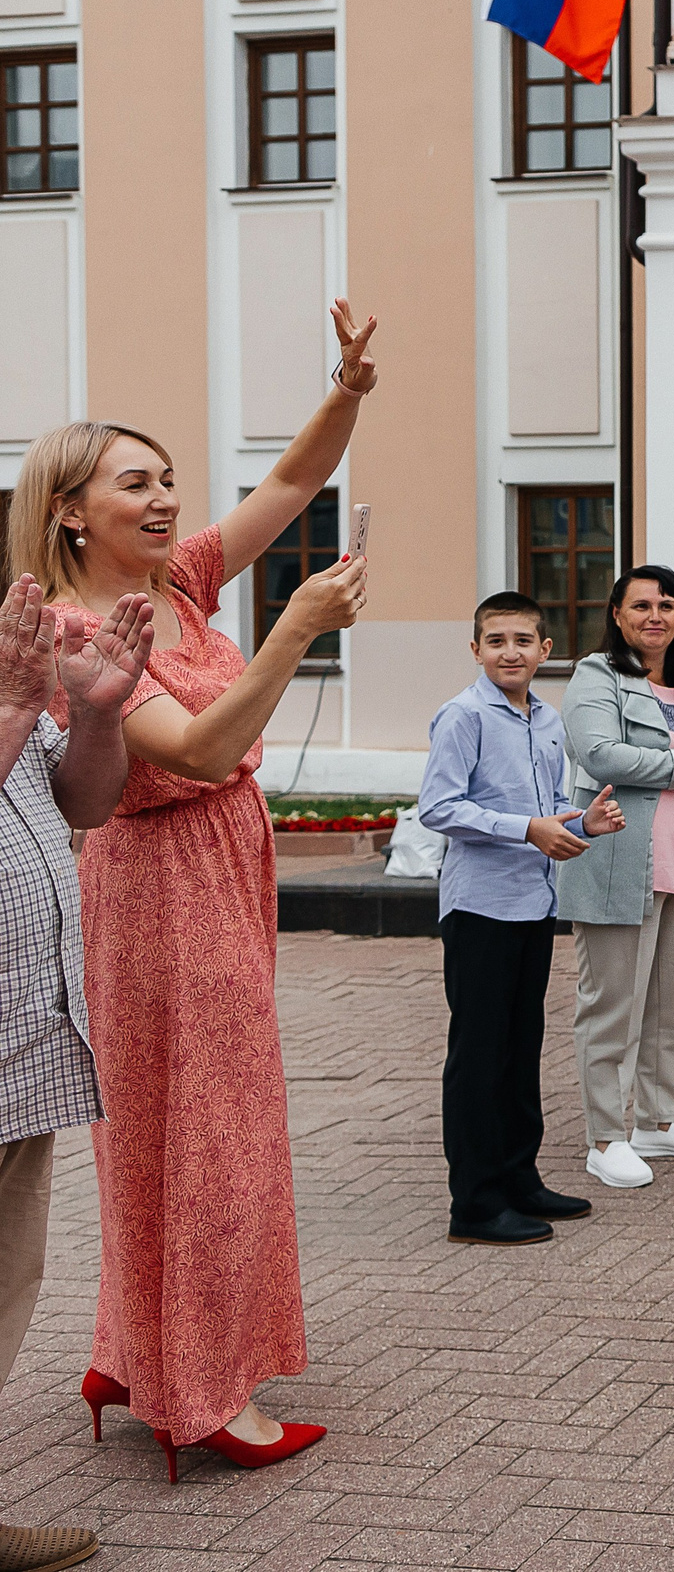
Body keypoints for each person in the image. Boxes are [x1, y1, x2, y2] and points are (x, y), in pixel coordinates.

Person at [19, 303, 375, 1479]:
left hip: (216, 878)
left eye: (170, 478)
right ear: (71, 508)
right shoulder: (75, 624)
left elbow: (290, 479)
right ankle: (207, 1393)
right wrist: (296, 630)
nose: (166, 498)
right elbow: (204, 752)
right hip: (160, 893)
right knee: (211, 1138)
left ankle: (137, 1351)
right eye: (137, 482)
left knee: (188, 1135)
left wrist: (349, 387)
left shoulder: (181, 579)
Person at [0, 575, 145, 1572]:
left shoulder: (12, 669)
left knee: (8, 1281)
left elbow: (83, 800)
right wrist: (15, 703)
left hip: (27, 1049)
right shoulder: (7, 682)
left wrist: (94, 714)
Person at [418, 592, 628, 1245]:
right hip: (480, 906)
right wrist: (525, 829)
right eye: (496, 639)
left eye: (523, 640)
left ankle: (519, 1176)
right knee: (478, 1054)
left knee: (519, 1047)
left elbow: (548, 803)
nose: (510, 651)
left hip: (533, 903)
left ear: (545, 649)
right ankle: (475, 1203)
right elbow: (438, 806)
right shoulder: (461, 716)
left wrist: (578, 819)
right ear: (476, 649)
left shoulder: (545, 719)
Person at [559, 566, 674, 1190]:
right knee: (613, 1005)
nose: (654, 615)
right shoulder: (599, 676)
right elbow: (598, 754)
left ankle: (661, 1122)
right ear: (616, 614)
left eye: (667, 604)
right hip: (621, 861)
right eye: (639, 605)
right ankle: (606, 1137)